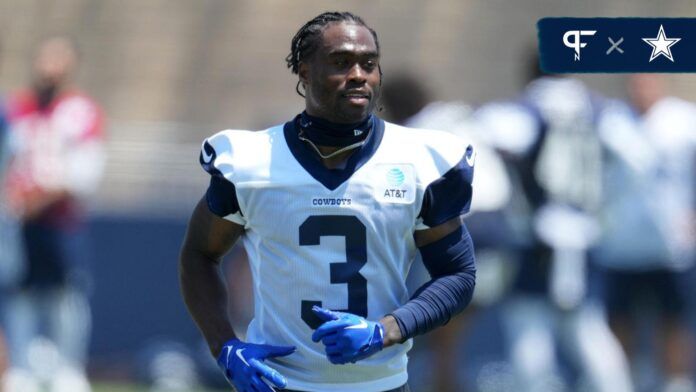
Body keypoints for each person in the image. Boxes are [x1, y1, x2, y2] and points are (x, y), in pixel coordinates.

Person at [179, 11, 477, 392]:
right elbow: (199, 255)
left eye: (369, 63)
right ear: (304, 72)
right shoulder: (253, 163)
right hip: (281, 383)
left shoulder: (419, 160)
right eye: (341, 62)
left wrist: (385, 330)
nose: (358, 74)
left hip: (380, 385)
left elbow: (458, 274)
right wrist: (224, 345)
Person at [474, 59, 633, 392]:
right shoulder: (598, 107)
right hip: (584, 235)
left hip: (537, 237)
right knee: (586, 327)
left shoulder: (527, 108)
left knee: (529, 326)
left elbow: (484, 138)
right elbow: (634, 161)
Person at [2, 36, 105, 392]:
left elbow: (85, 171)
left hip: (61, 219)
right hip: (18, 221)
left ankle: (67, 367)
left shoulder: (80, 109)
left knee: (65, 293)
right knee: (20, 291)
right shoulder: (16, 109)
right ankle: (23, 367)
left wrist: (39, 199)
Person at [596, 74, 695, 392]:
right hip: (619, 243)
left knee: (673, 319)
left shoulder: (684, 121)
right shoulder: (610, 122)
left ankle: (675, 381)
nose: (641, 89)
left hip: (672, 244)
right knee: (620, 320)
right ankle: (624, 381)